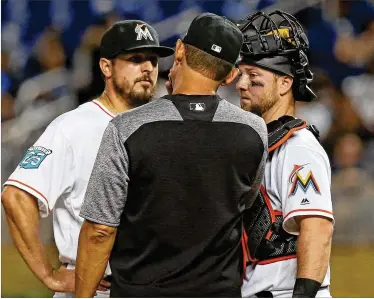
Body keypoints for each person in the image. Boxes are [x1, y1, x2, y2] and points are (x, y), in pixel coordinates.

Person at [75, 12, 268, 298]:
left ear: (179, 50)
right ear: (230, 76)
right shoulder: (254, 130)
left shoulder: (127, 127)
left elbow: (99, 231)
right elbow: (245, 201)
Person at [1, 20, 174, 298]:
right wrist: (48, 275)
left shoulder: (166, 126)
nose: (148, 68)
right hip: (95, 288)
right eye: (135, 59)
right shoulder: (72, 127)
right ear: (106, 67)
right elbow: (16, 197)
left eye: (153, 60)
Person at [236, 11, 334, 298]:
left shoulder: (297, 147)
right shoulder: (262, 143)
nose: (242, 84)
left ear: (284, 83)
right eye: (241, 74)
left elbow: (316, 229)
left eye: (253, 76)